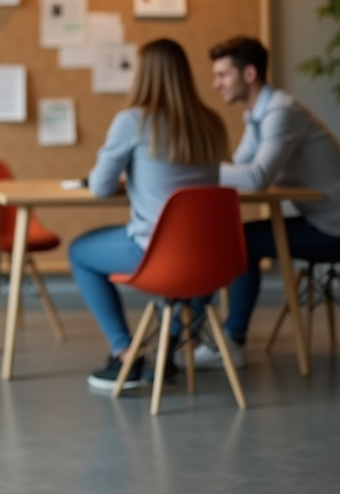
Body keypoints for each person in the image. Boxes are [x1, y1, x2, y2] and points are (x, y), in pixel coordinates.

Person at [69, 38, 229, 391]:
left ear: (145, 75)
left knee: (79, 251)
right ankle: (167, 350)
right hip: (211, 258)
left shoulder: (132, 121)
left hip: (154, 253)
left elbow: (99, 187)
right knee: (195, 265)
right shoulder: (211, 122)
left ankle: (126, 353)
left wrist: (127, 177)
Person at [199, 36, 340, 367]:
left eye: (222, 75)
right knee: (238, 237)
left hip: (335, 227)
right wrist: (211, 171)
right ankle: (202, 331)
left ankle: (226, 339)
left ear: (248, 74)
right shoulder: (258, 115)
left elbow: (256, 177)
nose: (215, 84)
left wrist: (196, 169)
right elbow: (239, 166)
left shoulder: (281, 112)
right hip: (320, 219)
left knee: (242, 240)